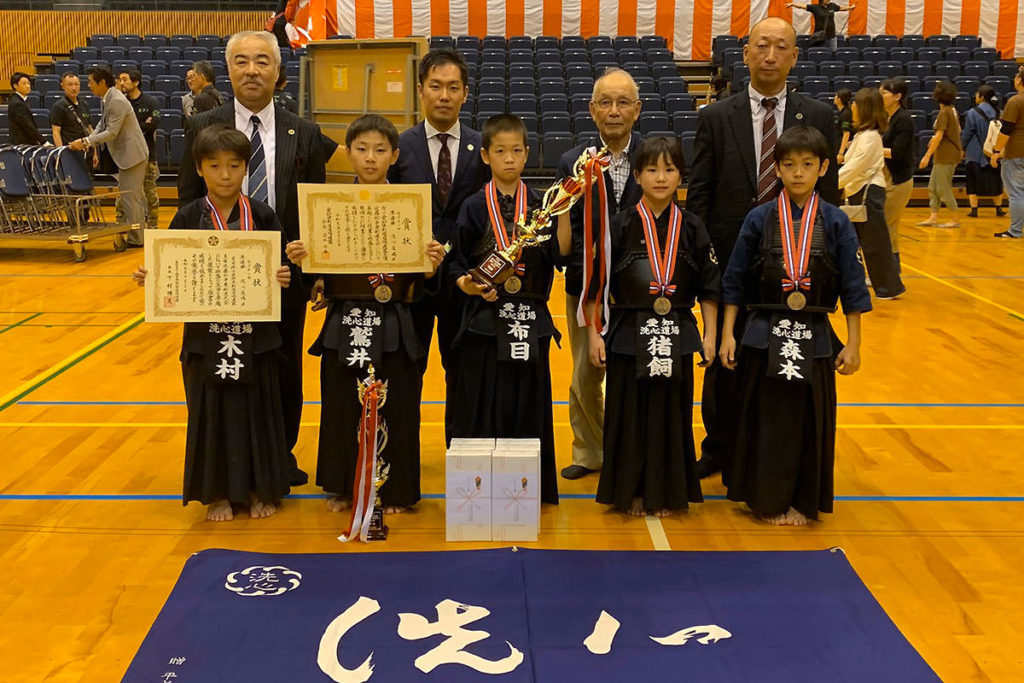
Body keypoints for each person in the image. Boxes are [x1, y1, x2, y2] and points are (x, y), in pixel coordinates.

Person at [687, 17, 838, 480]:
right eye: (762, 46)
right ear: (746, 53)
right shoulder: (715, 116)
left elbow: (828, 196)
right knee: (724, 360)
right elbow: (701, 195)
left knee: (783, 360)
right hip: (731, 261)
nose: (770, 55)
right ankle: (719, 448)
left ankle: (773, 453)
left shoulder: (818, 115)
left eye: (781, 48)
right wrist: (704, 262)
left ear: (794, 56)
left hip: (796, 266)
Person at [179, 30, 328, 486]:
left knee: (282, 367)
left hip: (285, 277)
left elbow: (314, 206)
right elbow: (188, 200)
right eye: (241, 61)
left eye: (262, 61)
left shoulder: (304, 132)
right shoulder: (202, 128)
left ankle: (278, 455)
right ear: (228, 69)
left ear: (278, 71)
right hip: (217, 279)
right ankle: (225, 461)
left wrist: (314, 270)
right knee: (221, 366)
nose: (252, 70)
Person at [285, 114, 446, 514]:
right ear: (348, 153)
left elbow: (424, 275)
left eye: (379, 150)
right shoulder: (328, 206)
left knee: (399, 403)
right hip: (346, 319)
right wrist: (304, 262)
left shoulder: (412, 204)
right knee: (342, 402)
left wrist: (431, 263)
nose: (370, 158)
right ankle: (343, 485)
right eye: (361, 149)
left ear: (394, 155)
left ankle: (396, 490)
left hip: (396, 317)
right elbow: (318, 279)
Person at [131, 125, 292, 521]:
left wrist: (285, 275)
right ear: (200, 169)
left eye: (234, 165)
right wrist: (149, 275)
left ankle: (259, 490)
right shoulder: (188, 215)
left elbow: (283, 270)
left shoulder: (264, 214)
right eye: (215, 165)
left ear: (246, 168)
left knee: (259, 410)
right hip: (206, 336)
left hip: (256, 335)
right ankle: (217, 493)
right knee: (210, 410)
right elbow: (168, 269)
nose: (225, 174)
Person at [720, 126, 871, 526]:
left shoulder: (837, 222)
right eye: (789, 165)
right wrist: (727, 335)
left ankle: (802, 500)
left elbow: (853, 290)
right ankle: (763, 499)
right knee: (763, 420)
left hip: (815, 334)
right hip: (763, 331)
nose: (798, 173)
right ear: (777, 169)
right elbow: (734, 281)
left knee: (809, 420)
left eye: (807, 165)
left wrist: (853, 344)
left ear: (823, 167)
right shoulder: (759, 218)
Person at [588, 136, 719, 517]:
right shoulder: (620, 224)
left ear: (682, 174)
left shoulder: (693, 226)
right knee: (628, 413)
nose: (661, 178)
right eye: (651, 169)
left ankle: (667, 491)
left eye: (669, 169)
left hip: (677, 330)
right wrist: (596, 333)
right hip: (629, 329)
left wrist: (709, 335)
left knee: (671, 413)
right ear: (637, 176)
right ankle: (630, 490)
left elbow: (710, 285)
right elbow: (598, 284)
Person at [449, 114, 560, 505]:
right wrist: (468, 285)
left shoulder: (545, 207)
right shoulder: (474, 206)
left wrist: (570, 204)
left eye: (516, 150)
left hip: (530, 320)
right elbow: (456, 262)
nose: (509, 158)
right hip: (484, 322)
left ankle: (528, 494)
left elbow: (560, 256)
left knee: (528, 403)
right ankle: (480, 495)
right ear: (485, 155)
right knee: (483, 402)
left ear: (527, 153)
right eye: (500, 151)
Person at [387, 48, 490, 446]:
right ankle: (401, 461)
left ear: (465, 93)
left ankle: (461, 457)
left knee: (463, 371)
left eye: (452, 87)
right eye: (435, 86)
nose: (444, 95)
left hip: (464, 279)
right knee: (407, 370)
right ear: (420, 91)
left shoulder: (483, 148)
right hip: (413, 281)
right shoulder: (399, 145)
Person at [556, 67, 644, 481]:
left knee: (637, 370)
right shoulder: (573, 162)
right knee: (584, 373)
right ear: (592, 111)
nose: (614, 111)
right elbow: (567, 230)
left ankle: (632, 449)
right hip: (586, 290)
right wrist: (588, 276)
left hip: (640, 291)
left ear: (637, 110)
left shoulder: (653, 158)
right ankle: (589, 450)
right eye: (605, 102)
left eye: (623, 102)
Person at [68, 66, 148, 247]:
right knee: (133, 197)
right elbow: (101, 125)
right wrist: (86, 139)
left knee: (131, 198)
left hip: (133, 155)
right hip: (127, 154)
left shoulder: (117, 100)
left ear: (102, 82)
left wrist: (86, 142)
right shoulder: (108, 98)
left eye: (90, 82)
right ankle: (139, 236)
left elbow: (111, 132)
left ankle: (137, 240)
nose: (88, 85)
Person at [838, 88, 905, 299]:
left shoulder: (870, 138)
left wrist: (828, 184)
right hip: (857, 192)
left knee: (875, 243)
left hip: (868, 193)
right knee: (853, 242)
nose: (853, 107)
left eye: (856, 103)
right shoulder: (862, 135)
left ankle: (888, 287)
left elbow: (854, 168)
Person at [116, 69, 161, 233]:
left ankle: (153, 225)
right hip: (126, 156)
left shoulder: (150, 101)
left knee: (149, 191)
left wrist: (132, 129)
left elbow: (154, 122)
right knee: (123, 193)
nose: (121, 83)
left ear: (136, 82)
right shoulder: (121, 103)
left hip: (147, 154)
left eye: (125, 79)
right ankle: (121, 224)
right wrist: (141, 127)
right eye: (120, 80)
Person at [880, 78, 915, 273]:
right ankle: (892, 273)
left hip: (898, 181)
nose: (880, 96)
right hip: (888, 179)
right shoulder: (889, 117)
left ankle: (889, 274)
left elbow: (898, 152)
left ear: (897, 96)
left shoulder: (903, 119)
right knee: (888, 229)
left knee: (886, 228)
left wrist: (872, 146)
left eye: (884, 93)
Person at [918, 80, 962, 228]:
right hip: (946, 154)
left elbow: (939, 136)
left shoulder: (944, 112)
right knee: (932, 187)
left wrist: (927, 155)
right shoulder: (952, 110)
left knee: (943, 188)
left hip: (946, 155)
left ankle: (955, 218)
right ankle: (933, 216)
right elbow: (957, 130)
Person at [990, 66, 1024, 239]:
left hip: (1017, 152)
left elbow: (1006, 129)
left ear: (1019, 81)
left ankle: (1015, 230)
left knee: (1016, 193)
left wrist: (996, 150)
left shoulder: (1015, 101)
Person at [962, 86, 1006, 218]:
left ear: (981, 96)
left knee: (972, 181)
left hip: (975, 151)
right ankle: (998, 208)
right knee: (996, 179)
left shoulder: (972, 113)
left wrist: (963, 148)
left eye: (977, 94)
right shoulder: (999, 112)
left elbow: (967, 133)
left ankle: (974, 209)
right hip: (994, 151)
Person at [50, 71, 97, 170]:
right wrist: (61, 154)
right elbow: (56, 132)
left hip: (87, 151)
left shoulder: (84, 104)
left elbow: (89, 128)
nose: (74, 88)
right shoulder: (58, 107)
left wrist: (95, 152)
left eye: (76, 84)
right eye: (70, 84)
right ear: (63, 86)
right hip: (70, 153)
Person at [786, 0, 856, 50]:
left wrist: (850, 8)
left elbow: (841, 8)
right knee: (821, 54)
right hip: (820, 36)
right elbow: (802, 6)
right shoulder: (815, 7)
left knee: (833, 53)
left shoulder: (832, 6)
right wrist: (793, 4)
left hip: (832, 35)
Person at [8, 72, 44, 145]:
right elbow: (27, 126)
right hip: (22, 144)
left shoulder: (21, 100)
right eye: (24, 84)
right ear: (15, 86)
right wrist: (43, 141)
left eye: (28, 83)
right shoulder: (17, 103)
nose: (27, 86)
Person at [834, 89, 853, 162]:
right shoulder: (840, 112)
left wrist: (841, 153)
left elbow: (846, 133)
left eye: (836, 96)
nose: (834, 97)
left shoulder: (846, 114)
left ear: (839, 99)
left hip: (844, 148)